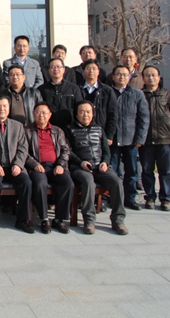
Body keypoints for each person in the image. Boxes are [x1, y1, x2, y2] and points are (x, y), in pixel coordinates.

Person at [66, 101, 128, 235]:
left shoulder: (99, 129)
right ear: (76, 114)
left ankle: (118, 220)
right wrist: (80, 162)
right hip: (80, 168)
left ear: (93, 114)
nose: (85, 115)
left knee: (117, 182)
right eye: (82, 112)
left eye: (88, 112)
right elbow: (68, 151)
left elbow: (106, 150)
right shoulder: (69, 129)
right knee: (88, 182)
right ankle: (89, 220)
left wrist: (105, 162)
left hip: (100, 167)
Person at [0, 96, 33, 234]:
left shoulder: (18, 126)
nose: (1, 108)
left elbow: (23, 148)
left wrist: (18, 164)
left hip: (14, 166)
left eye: (5, 106)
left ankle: (22, 220)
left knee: (26, 182)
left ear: (9, 109)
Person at [25, 102, 74, 234]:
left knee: (68, 183)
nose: (41, 115)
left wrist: (60, 164)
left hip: (55, 166)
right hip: (37, 166)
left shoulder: (58, 131)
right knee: (40, 184)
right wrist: (34, 164)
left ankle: (59, 219)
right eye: (38, 112)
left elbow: (65, 150)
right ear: (33, 114)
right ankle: (44, 219)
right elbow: (24, 152)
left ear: (50, 115)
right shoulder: (27, 131)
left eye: (44, 113)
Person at [140, 66, 170, 211]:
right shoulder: (140, 95)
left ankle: (166, 199)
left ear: (159, 77)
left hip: (165, 140)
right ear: (143, 78)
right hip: (145, 140)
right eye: (147, 75)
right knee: (147, 171)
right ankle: (150, 197)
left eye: (153, 75)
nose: (150, 78)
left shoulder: (169, 95)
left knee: (165, 171)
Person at [110, 65, 149, 211]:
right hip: (113, 139)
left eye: (125, 74)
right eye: (119, 74)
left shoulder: (137, 94)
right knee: (113, 172)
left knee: (131, 171)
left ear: (129, 77)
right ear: (113, 76)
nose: (122, 77)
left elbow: (144, 117)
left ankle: (130, 199)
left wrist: (140, 137)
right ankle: (114, 199)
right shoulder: (108, 92)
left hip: (131, 139)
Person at [80, 59, 118, 145]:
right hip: (81, 133)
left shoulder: (107, 90)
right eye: (88, 68)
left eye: (94, 68)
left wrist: (109, 135)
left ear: (98, 71)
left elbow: (113, 114)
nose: (91, 71)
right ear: (84, 71)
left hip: (101, 132)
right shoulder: (77, 89)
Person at [37, 58, 83, 129]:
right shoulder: (42, 89)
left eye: (58, 67)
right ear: (48, 70)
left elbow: (79, 108)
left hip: (70, 128)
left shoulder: (73, 88)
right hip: (48, 128)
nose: (55, 69)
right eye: (52, 67)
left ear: (64, 69)